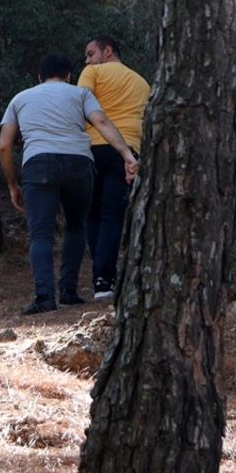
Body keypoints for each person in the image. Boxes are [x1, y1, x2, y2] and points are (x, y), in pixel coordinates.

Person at [0, 53, 138, 315]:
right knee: (76, 225)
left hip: (38, 165)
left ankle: (44, 296)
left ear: (39, 77)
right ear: (69, 76)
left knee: (41, 234)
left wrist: (11, 183)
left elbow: (4, 144)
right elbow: (102, 122)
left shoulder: (20, 98)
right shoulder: (80, 95)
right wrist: (127, 155)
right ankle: (69, 291)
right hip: (79, 164)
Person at [78, 35, 151, 300]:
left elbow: (81, 104)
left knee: (92, 215)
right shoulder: (142, 82)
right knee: (112, 216)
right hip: (127, 152)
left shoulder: (92, 72)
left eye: (90, 53)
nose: (86, 60)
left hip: (93, 148)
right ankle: (103, 281)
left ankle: (100, 277)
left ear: (107, 51)